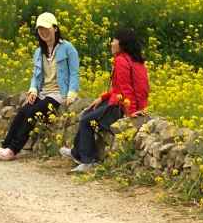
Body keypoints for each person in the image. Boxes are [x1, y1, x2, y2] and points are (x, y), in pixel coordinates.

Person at [0, 13, 80, 161]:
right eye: (40, 29)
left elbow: (75, 73)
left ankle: (13, 149)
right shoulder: (39, 52)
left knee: (33, 112)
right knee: (23, 111)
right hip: (43, 92)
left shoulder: (68, 48)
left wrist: (72, 92)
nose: (43, 32)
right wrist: (33, 89)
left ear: (55, 28)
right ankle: (4, 146)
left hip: (59, 94)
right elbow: (36, 75)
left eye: (46, 28)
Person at [63, 27, 149, 171]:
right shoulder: (134, 59)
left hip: (121, 107)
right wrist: (102, 97)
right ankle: (76, 153)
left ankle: (89, 161)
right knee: (87, 113)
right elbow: (120, 89)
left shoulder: (122, 61)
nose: (111, 43)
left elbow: (127, 90)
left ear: (122, 44)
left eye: (114, 40)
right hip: (121, 101)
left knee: (86, 121)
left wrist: (131, 113)